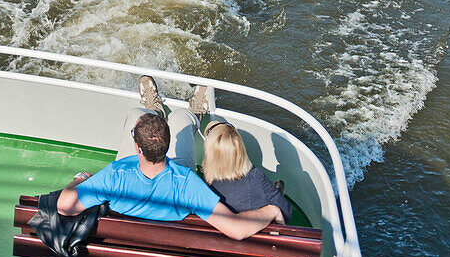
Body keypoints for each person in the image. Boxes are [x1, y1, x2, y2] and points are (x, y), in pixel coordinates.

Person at [57, 77, 284, 239]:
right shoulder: (187, 183)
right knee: (181, 118)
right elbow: (237, 230)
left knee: (135, 114)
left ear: (138, 147)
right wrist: (272, 209)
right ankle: (191, 115)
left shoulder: (115, 176)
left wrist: (81, 177)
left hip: (127, 224)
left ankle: (152, 111)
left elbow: (65, 206)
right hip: (172, 184)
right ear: (167, 144)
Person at [202, 120, 291, 224]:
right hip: (256, 234)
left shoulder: (203, 186)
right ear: (240, 149)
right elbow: (286, 212)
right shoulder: (256, 177)